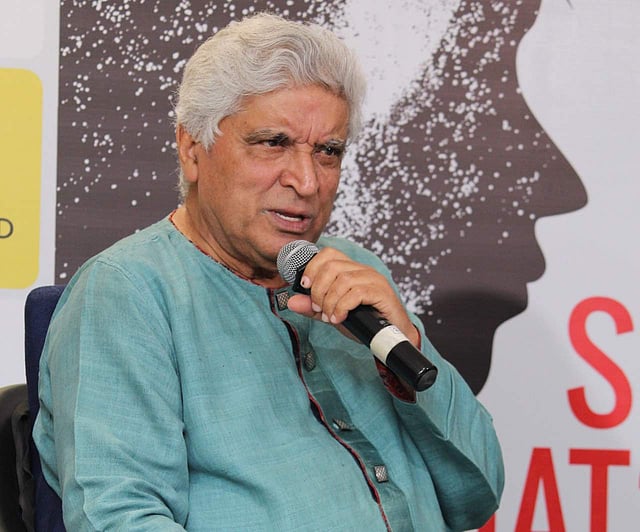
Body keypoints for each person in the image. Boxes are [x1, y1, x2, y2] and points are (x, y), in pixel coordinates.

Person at [35, 13, 503, 531]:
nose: (307, 181)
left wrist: (406, 344)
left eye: (328, 151)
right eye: (273, 142)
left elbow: (479, 494)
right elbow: (119, 519)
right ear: (192, 149)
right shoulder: (129, 294)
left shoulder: (355, 273)